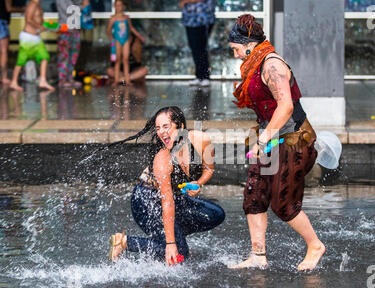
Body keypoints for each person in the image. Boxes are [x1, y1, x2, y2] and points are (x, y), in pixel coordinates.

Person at [227, 14, 325, 271]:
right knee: (253, 195)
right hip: (270, 139)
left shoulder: (272, 65)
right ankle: (258, 256)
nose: (236, 55)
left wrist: (262, 137)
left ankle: (315, 245)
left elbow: (286, 107)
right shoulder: (255, 64)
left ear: (248, 44)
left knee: (283, 203)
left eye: (236, 50)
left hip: (294, 141)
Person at [108, 106, 225, 266]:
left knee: (215, 214)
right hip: (145, 200)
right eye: (158, 128)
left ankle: (172, 237)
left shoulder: (200, 140)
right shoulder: (162, 159)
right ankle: (124, 242)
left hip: (172, 199)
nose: (162, 132)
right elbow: (167, 202)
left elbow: (209, 169)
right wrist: (171, 244)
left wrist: (198, 183)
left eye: (166, 127)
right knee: (179, 253)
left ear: (181, 127)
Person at [9, 0, 54, 91]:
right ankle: (13, 82)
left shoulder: (38, 5)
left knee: (44, 57)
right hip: (28, 38)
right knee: (21, 60)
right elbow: (28, 19)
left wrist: (50, 26)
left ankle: (42, 80)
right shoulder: (32, 4)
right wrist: (39, 27)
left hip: (36, 37)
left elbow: (39, 20)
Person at [106, 0, 145, 86]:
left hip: (126, 39)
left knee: (125, 59)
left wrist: (139, 36)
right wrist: (111, 38)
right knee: (118, 60)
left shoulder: (126, 17)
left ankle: (126, 81)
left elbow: (131, 28)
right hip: (117, 40)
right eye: (117, 5)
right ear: (114, 7)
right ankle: (116, 80)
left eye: (120, 5)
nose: (119, 7)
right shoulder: (113, 18)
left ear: (123, 7)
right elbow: (108, 30)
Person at [180, 0, 215, 87]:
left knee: (201, 48)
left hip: (202, 19)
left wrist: (185, 1)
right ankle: (199, 76)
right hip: (189, 19)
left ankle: (205, 77)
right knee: (194, 48)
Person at [56, 0, 83, 88]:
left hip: (75, 29)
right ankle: (62, 80)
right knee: (64, 56)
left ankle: (70, 78)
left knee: (73, 56)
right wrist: (80, 7)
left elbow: (80, 4)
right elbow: (69, 10)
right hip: (65, 29)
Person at [0, 0, 26, 85]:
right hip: (1, 22)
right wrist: (23, 9)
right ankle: (4, 77)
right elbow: (9, 8)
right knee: (4, 51)